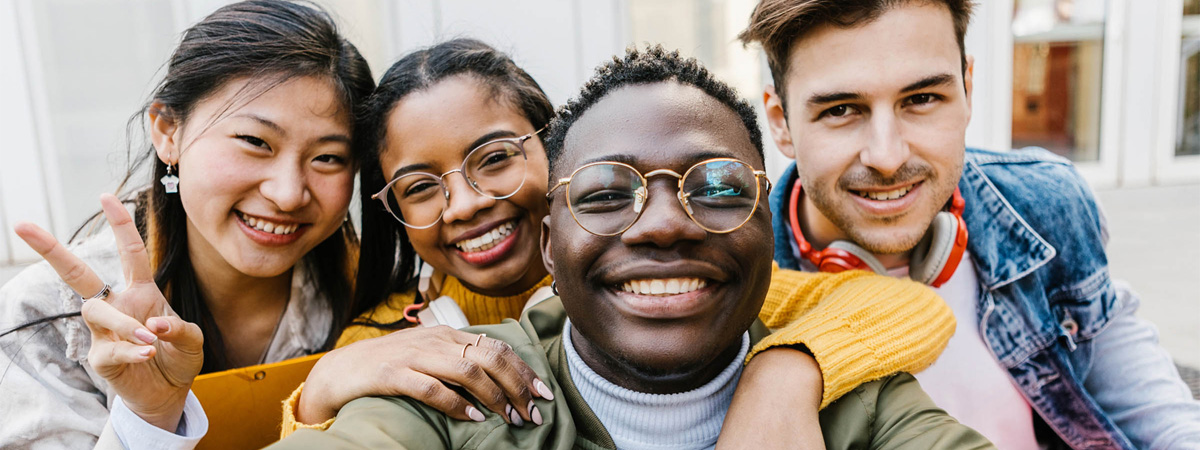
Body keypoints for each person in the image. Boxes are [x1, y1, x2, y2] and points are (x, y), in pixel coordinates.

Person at [266, 45, 995, 450]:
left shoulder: (739, 292)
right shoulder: (414, 353)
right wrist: (329, 385)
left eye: (493, 159)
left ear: (552, 162)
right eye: (421, 188)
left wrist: (788, 372)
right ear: (557, 234)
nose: (466, 204)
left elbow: (892, 309)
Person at [734, 0, 1200, 448]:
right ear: (780, 122)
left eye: (921, 98)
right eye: (840, 110)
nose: (888, 156)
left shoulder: (1043, 205)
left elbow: (1148, 407)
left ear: (968, 89)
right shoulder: (735, 285)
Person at [0, 1, 373, 447]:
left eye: (328, 157)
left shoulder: (378, 297)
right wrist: (147, 417)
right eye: (255, 141)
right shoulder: (50, 316)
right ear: (168, 132)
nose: (289, 193)